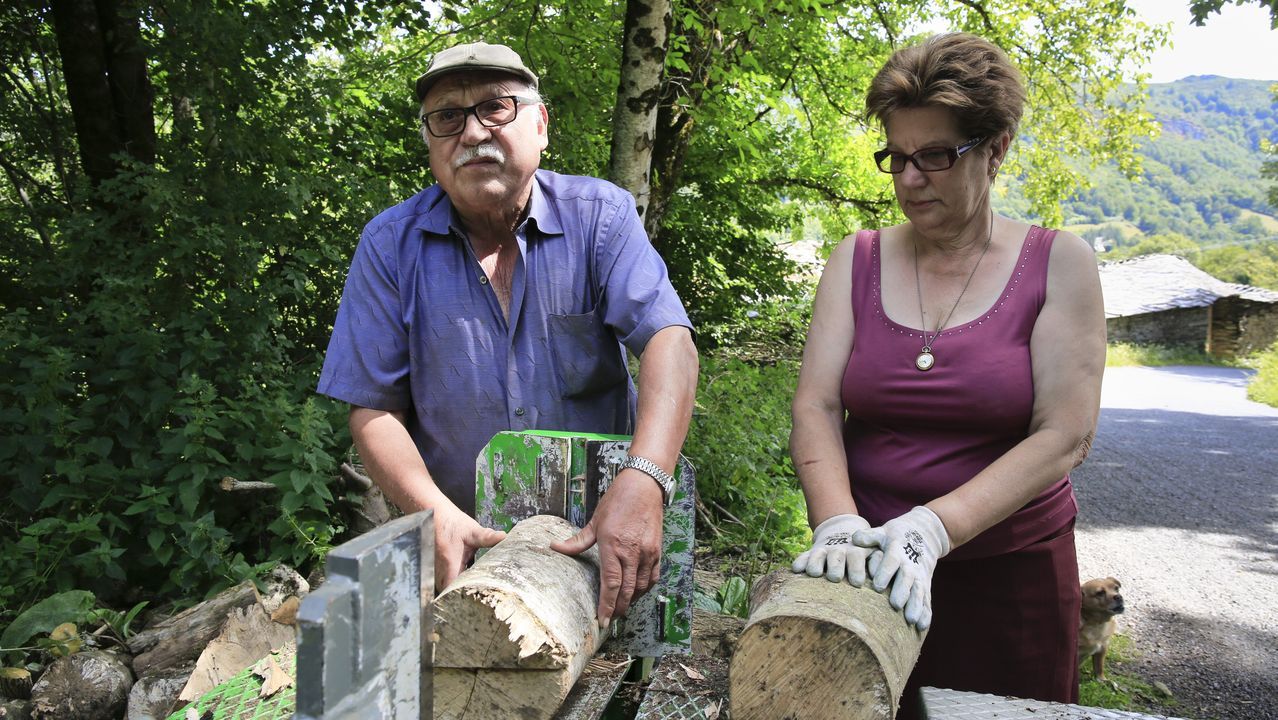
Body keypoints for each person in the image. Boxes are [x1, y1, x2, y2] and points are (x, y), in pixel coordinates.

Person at [317, 41, 698, 629]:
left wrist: (647, 476)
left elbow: (669, 340)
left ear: (540, 125)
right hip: (459, 548)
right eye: (448, 116)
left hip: (604, 540)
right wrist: (433, 513)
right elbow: (373, 409)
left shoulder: (600, 217)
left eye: (495, 107)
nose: (472, 133)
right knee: (396, 667)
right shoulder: (389, 245)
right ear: (430, 143)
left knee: (623, 673)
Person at [789, 32, 1105, 715]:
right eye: (897, 157)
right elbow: (816, 406)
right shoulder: (856, 260)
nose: (909, 179)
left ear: (996, 149)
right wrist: (838, 522)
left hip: (1011, 581)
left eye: (935, 156)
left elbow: (1064, 435)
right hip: (870, 577)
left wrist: (934, 529)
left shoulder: (1059, 264)